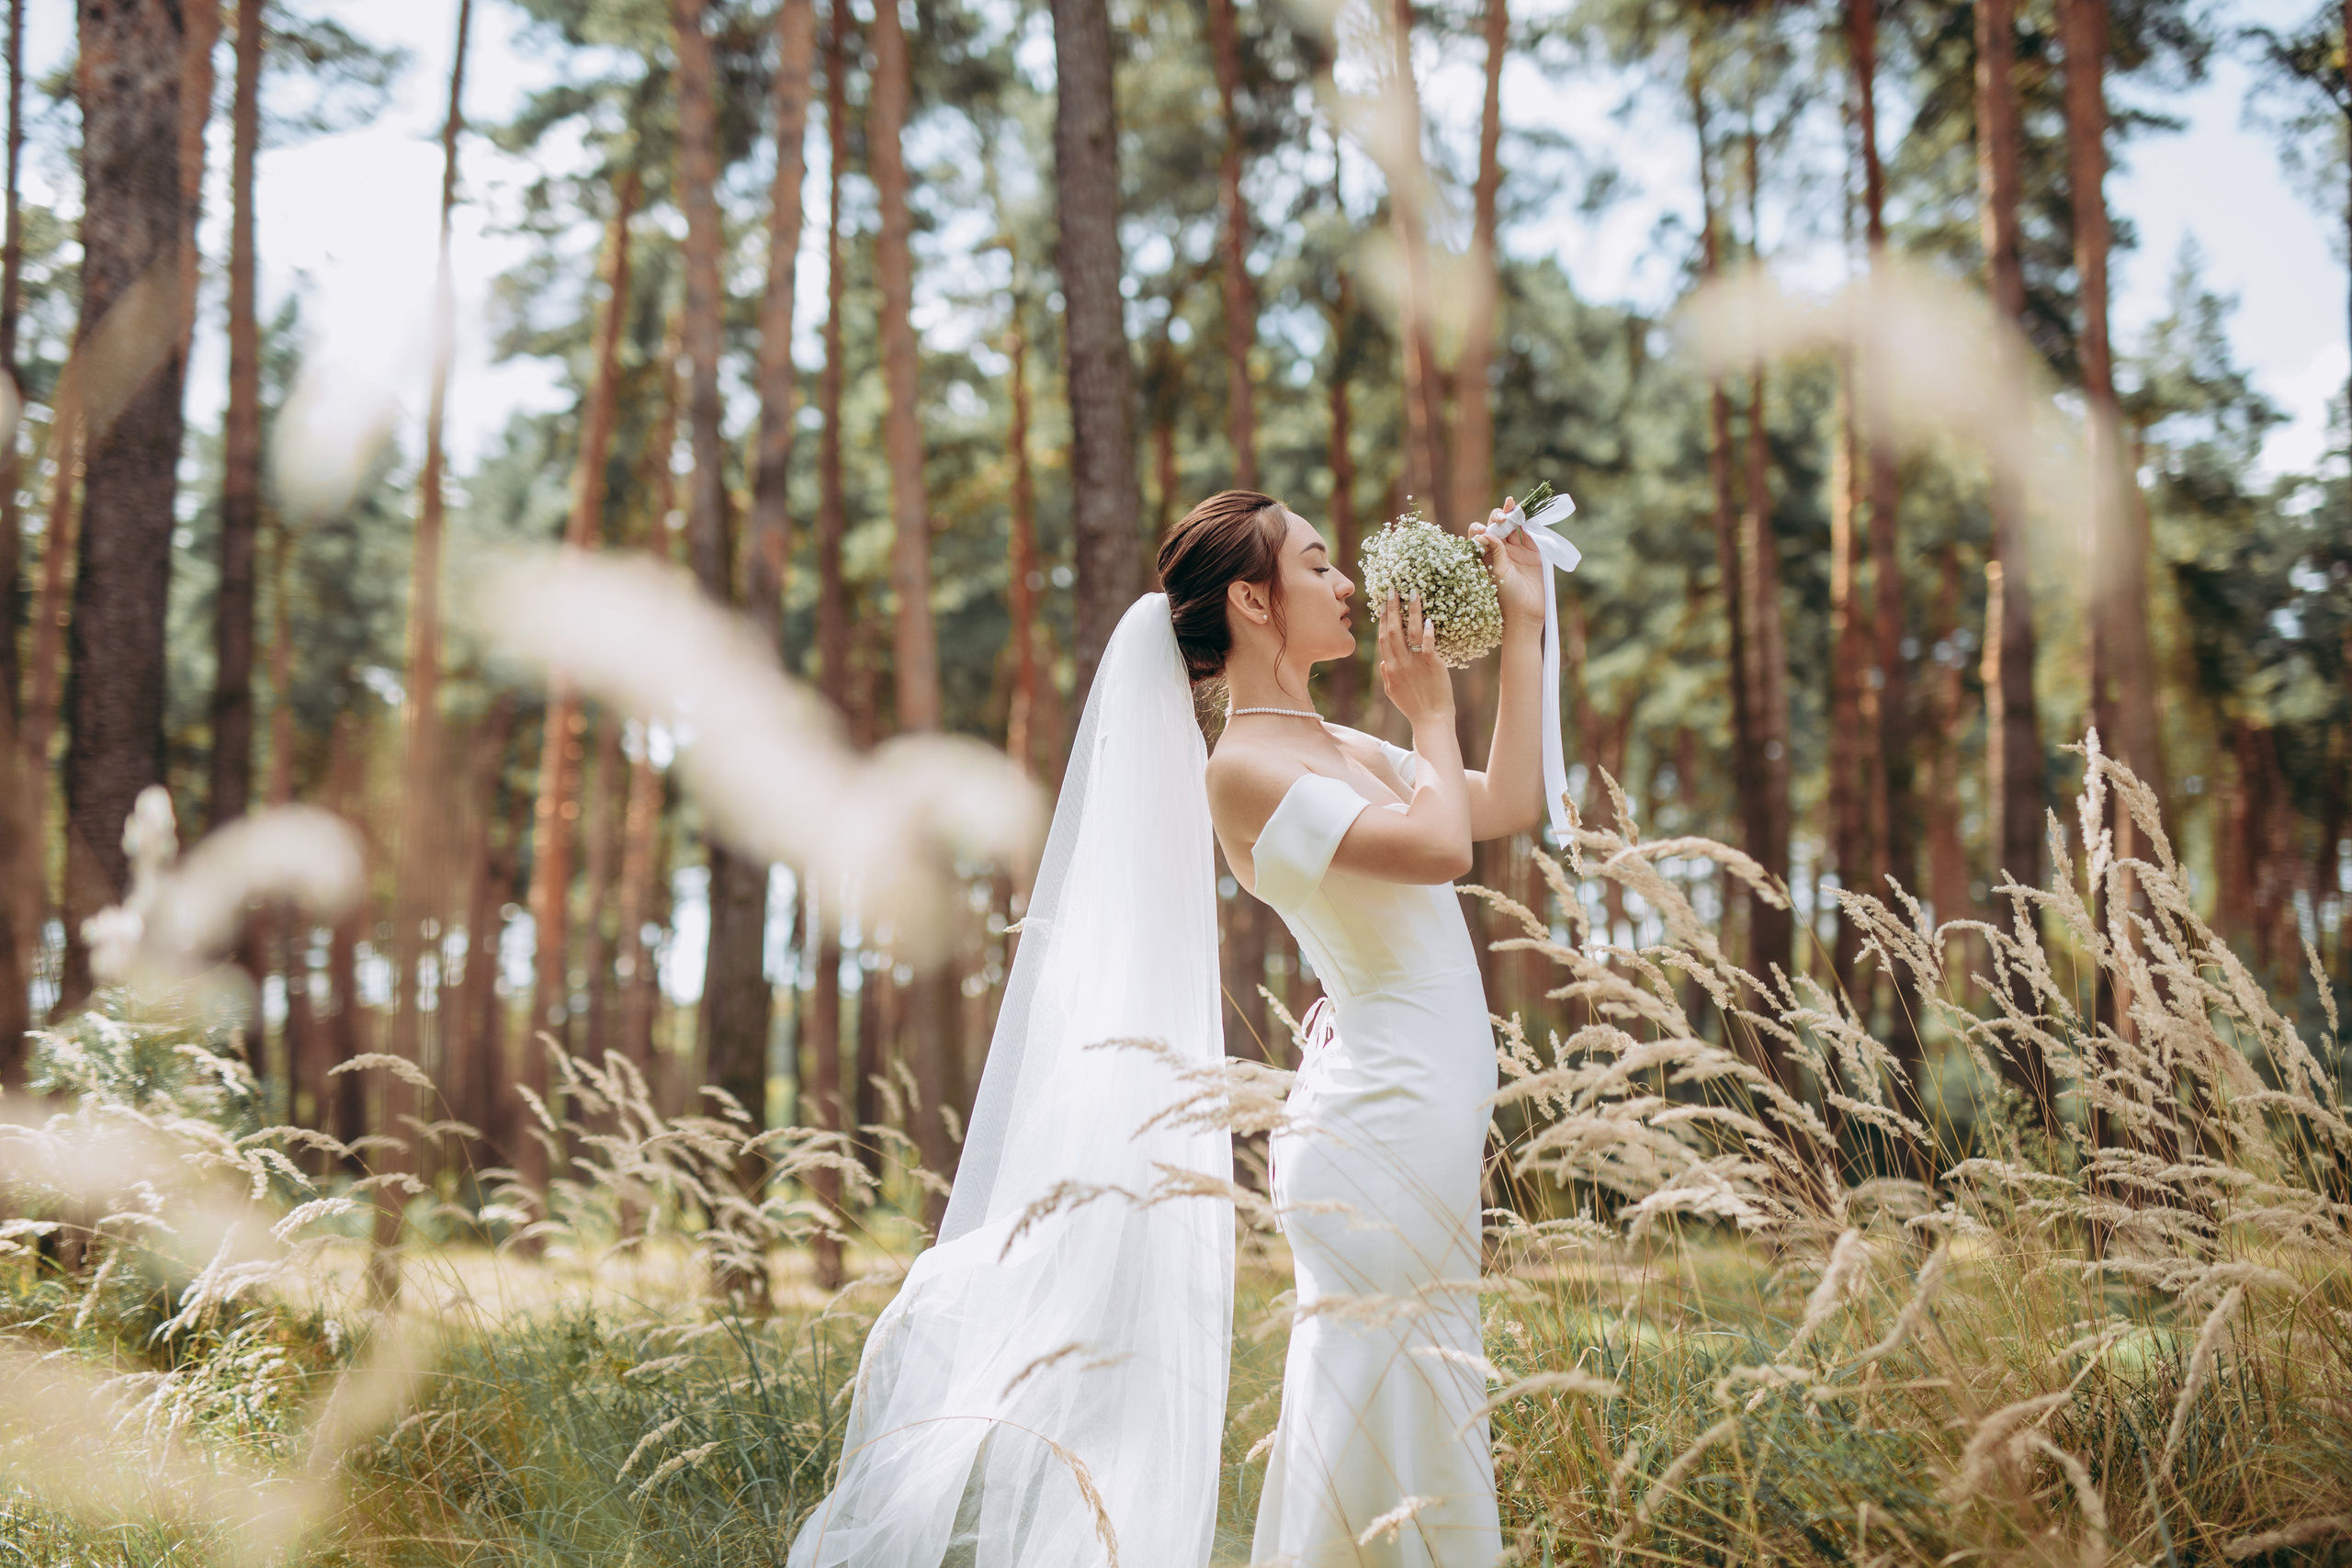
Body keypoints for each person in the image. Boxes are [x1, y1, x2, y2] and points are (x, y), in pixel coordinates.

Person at [786, 491, 1549, 1568]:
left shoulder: (1334, 743)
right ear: (1251, 598)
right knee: (1393, 1378)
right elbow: (1440, 853)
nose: (1349, 588)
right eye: (1320, 566)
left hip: (1414, 1104)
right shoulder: (1244, 770)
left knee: (1417, 1377)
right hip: (1378, 1128)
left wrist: (1522, 624)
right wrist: (1429, 712)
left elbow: (1504, 804)